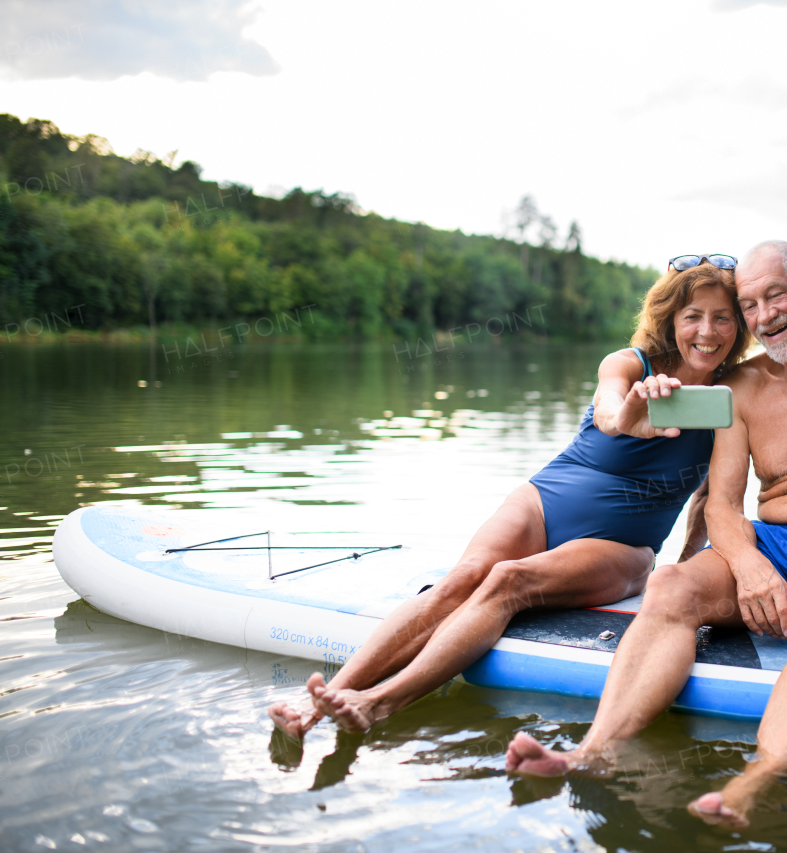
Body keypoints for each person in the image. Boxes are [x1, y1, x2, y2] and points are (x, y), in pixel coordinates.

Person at [506, 240, 787, 828]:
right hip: (773, 539)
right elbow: (721, 504)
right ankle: (592, 752)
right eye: (749, 305)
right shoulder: (738, 387)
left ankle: (759, 778)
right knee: (668, 587)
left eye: (777, 296)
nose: (764, 316)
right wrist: (747, 563)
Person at [268, 254, 752, 737]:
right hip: (545, 500)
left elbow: (712, 499)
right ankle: (320, 705)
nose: (706, 331)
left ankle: (378, 703)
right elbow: (608, 412)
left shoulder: (734, 400)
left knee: (508, 580)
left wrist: (688, 568)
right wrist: (630, 417)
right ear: (671, 319)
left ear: (738, 326)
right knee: (462, 580)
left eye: (721, 317)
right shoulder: (630, 365)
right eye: (693, 316)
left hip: (621, 547)